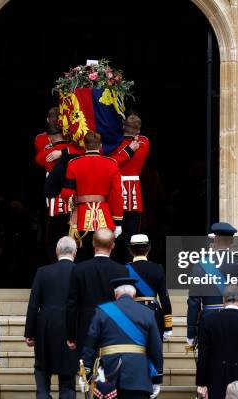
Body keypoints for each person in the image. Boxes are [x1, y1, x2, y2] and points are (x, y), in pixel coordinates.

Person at [80, 277, 163, 399]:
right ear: (134, 294)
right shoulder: (147, 313)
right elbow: (156, 348)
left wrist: (85, 373)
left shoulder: (102, 311)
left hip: (107, 375)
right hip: (138, 375)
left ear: (115, 294)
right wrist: (157, 378)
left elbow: (90, 344)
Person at [25, 236, 79, 399]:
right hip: (72, 327)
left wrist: (29, 332)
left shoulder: (43, 272)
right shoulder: (80, 271)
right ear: (75, 253)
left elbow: (34, 304)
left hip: (45, 327)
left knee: (42, 371)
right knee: (68, 379)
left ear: (56, 252)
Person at [187, 222, 238, 347]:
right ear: (232, 241)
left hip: (209, 321)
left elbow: (194, 302)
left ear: (215, 239)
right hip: (237, 321)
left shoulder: (200, 265)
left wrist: (191, 333)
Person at [61, 131, 124, 261]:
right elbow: (117, 195)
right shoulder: (111, 163)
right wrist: (118, 222)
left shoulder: (74, 163)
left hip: (81, 218)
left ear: (84, 145)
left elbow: (67, 193)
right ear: (100, 146)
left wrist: (74, 209)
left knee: (83, 259)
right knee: (105, 257)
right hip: (104, 218)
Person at [66, 228, 128, 354]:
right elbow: (125, 304)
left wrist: (71, 335)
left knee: (85, 370)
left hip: (86, 327)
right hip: (113, 327)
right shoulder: (122, 270)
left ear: (93, 243)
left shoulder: (79, 269)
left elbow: (72, 305)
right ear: (113, 245)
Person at [196, 285, 238, 399]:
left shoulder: (208, 321)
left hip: (215, 380)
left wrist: (202, 383)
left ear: (223, 299)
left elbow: (203, 354)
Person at [35, 124, 83, 260]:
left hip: (56, 202)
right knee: (72, 234)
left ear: (50, 139)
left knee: (54, 237)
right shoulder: (72, 149)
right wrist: (65, 151)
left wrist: (59, 152)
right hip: (73, 199)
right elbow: (82, 152)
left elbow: (39, 159)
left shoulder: (47, 153)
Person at [108, 113, 150, 262]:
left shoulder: (114, 143)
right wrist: (130, 149)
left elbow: (111, 162)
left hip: (116, 193)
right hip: (133, 195)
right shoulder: (144, 141)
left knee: (112, 238)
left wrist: (127, 150)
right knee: (131, 239)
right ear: (138, 130)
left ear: (123, 127)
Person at [125, 234, 173, 340]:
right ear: (148, 249)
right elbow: (164, 299)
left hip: (132, 315)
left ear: (130, 250)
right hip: (153, 314)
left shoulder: (125, 269)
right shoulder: (157, 268)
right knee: (154, 353)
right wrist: (168, 326)